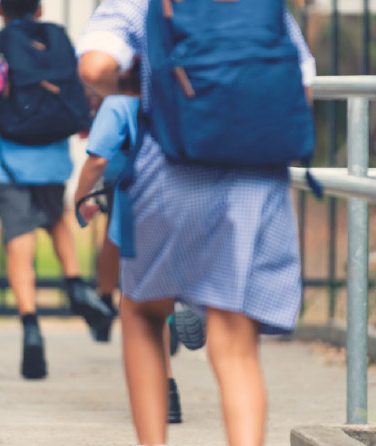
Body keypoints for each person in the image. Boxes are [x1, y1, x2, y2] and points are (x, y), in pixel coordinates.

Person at [77, 1, 316, 444]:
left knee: (143, 311)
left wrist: (131, 87)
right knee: (236, 343)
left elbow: (95, 67)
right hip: (257, 177)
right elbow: (302, 89)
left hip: (173, 168)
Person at [0, 0, 114, 380]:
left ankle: (31, 326)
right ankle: (76, 285)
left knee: (19, 237)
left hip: (3, 164)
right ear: (40, 10)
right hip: (50, 159)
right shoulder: (57, 46)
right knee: (56, 219)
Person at [74, 61, 182, 424]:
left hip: (142, 200)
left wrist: (80, 197)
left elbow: (97, 159)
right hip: (193, 193)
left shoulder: (119, 104)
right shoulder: (182, 94)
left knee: (142, 299)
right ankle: (188, 304)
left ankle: (166, 394)